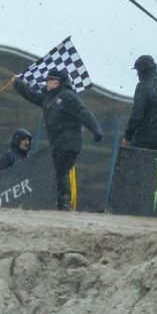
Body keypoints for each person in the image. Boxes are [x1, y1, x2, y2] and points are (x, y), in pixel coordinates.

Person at [12, 68, 103, 211]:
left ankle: (64, 203)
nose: (46, 84)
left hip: (69, 142)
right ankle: (61, 202)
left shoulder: (67, 96)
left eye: (48, 81)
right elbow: (32, 96)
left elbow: (83, 113)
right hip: (57, 143)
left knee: (62, 171)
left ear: (56, 82)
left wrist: (96, 130)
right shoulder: (49, 98)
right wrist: (18, 84)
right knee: (59, 172)